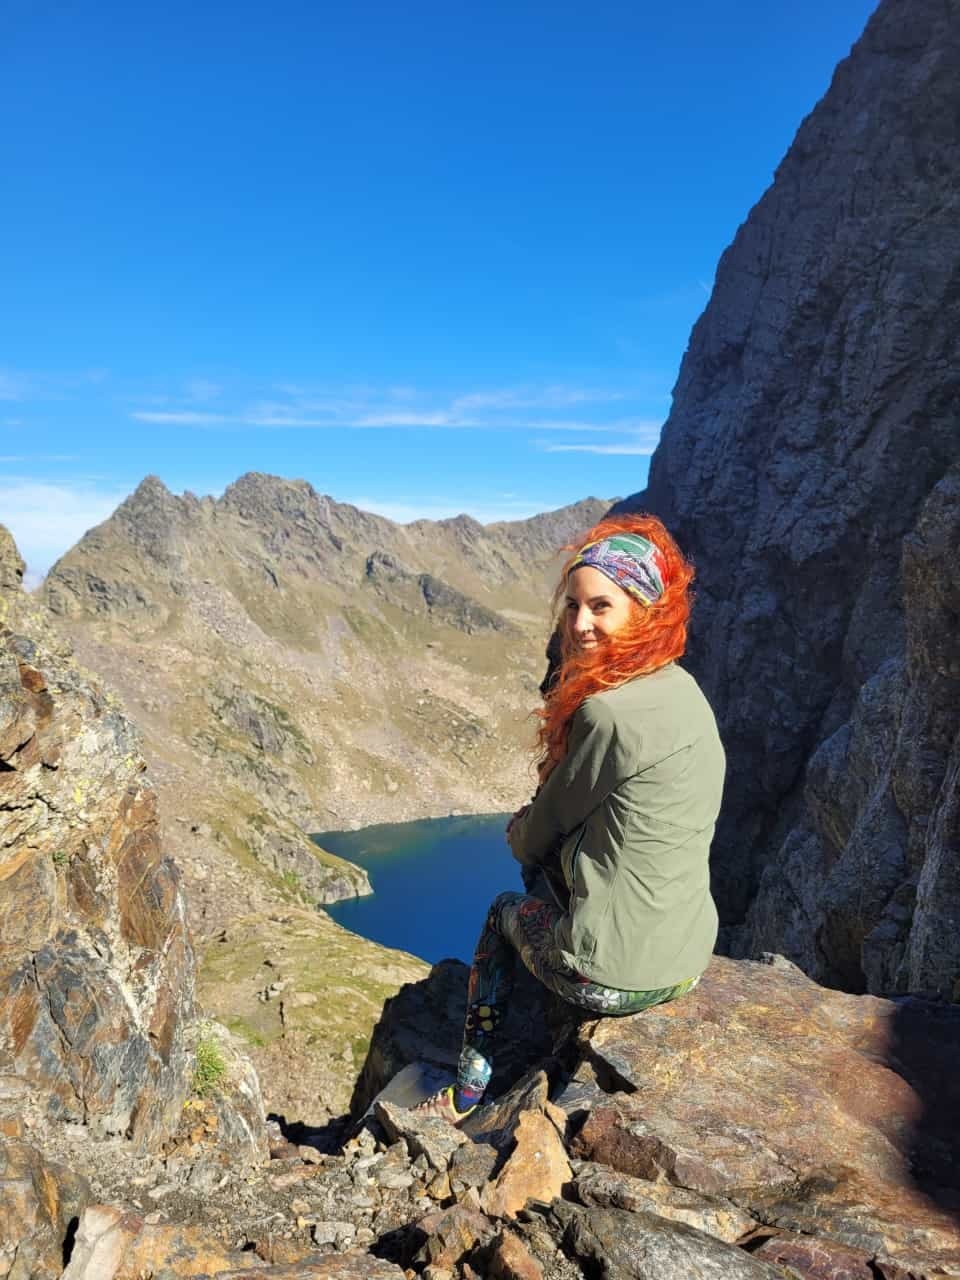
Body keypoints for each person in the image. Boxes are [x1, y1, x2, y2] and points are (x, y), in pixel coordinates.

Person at [413, 513, 726, 1124]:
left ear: (645, 611)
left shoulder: (606, 714)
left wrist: (519, 833)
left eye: (602, 607)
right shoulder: (684, 689)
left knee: (503, 910)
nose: (580, 624)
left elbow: (544, 827)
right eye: (573, 606)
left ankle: (466, 1092)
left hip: (613, 976)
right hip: (689, 958)